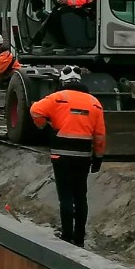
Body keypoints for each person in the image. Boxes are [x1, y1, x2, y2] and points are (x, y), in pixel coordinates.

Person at [30, 65, 106, 248]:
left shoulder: (58, 98)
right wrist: (98, 157)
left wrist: (45, 126)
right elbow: (100, 135)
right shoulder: (94, 102)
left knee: (65, 196)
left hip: (61, 154)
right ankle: (79, 237)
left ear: (63, 82)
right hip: (83, 155)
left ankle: (66, 234)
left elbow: (35, 110)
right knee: (81, 196)